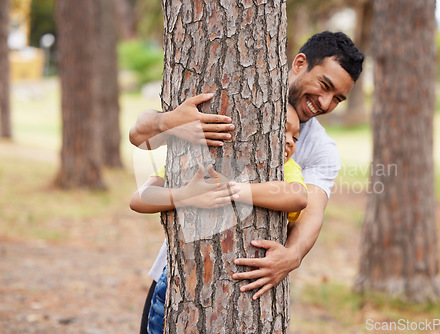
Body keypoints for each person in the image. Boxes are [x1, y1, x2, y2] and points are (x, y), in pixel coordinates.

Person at [131, 31, 364, 334]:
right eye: (325, 85)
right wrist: (170, 122)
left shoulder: (320, 149)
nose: (325, 102)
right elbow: (140, 138)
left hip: (248, 292)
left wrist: (291, 257)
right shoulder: (237, 94)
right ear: (299, 63)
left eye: (338, 98)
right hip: (179, 274)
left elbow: (311, 208)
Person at [132, 105, 308, 333]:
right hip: (180, 280)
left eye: (295, 136)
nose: (290, 141)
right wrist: (185, 196)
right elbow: (139, 199)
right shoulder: (190, 157)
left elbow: (298, 197)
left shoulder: (285, 168)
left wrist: (236, 191)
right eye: (282, 130)